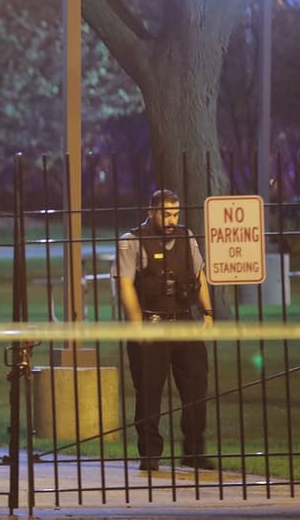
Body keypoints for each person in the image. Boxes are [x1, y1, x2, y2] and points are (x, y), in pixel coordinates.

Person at [115, 188, 216, 472]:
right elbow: (125, 286)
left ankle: (194, 451)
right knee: (149, 392)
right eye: (166, 214)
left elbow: (199, 276)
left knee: (196, 387)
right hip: (151, 323)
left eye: (175, 213)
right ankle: (150, 454)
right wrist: (138, 327)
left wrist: (207, 313)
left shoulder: (186, 237)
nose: (172, 220)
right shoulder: (131, 241)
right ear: (151, 212)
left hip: (185, 322)